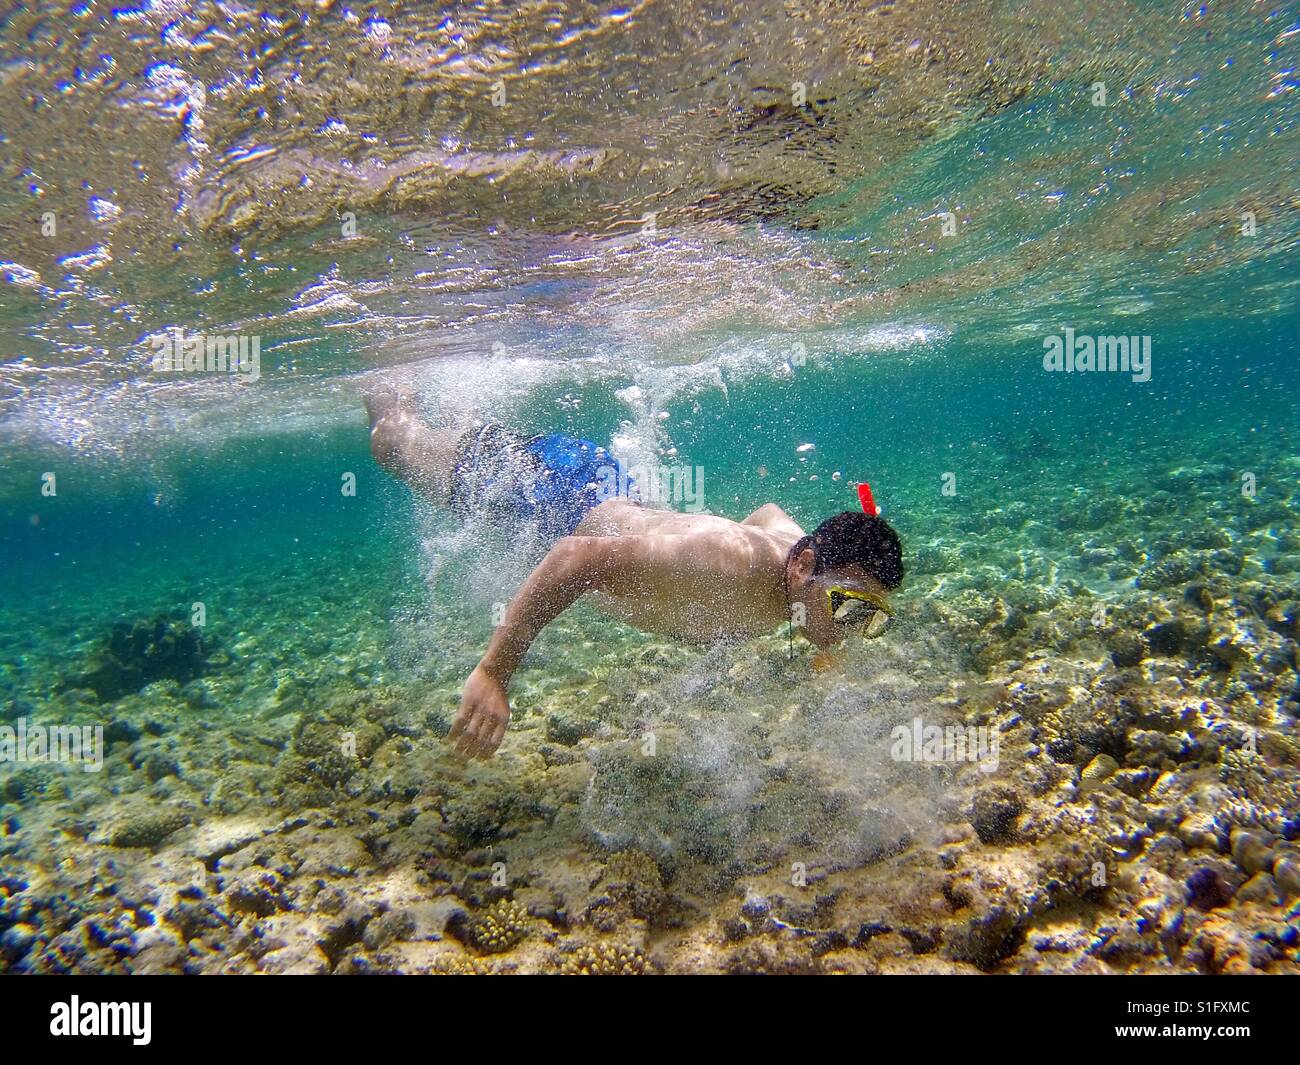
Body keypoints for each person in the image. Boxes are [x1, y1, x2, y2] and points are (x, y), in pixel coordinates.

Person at [366, 389, 904, 759]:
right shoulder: (723, 563)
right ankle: (387, 375)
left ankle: (460, 415)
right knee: (396, 447)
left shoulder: (797, 559)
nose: (849, 627)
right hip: (552, 497)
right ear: (805, 566)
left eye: (867, 616)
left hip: (605, 487)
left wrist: (825, 611)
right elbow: (576, 556)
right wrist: (494, 673)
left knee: (458, 445)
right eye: (847, 607)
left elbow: (767, 513)